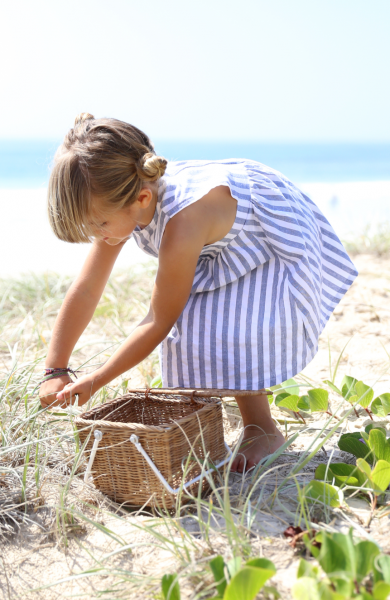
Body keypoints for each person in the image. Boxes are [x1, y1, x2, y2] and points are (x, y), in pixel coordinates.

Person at [39, 113, 358, 472]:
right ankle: (224, 424)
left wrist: (96, 380)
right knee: (194, 329)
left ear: (142, 197)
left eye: (99, 224)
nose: (99, 234)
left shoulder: (183, 222)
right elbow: (87, 288)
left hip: (266, 238)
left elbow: (160, 319)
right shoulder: (125, 199)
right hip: (218, 243)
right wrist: (56, 369)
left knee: (226, 327)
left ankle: (262, 429)